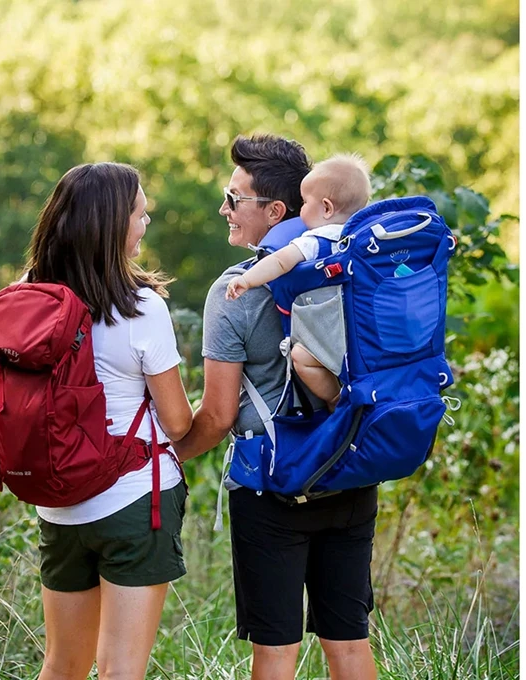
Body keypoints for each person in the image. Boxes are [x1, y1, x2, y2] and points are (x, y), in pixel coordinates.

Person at [174, 135, 378, 680]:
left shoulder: (233, 291)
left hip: (272, 484)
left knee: (276, 651)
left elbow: (217, 416)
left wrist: (166, 456)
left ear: (275, 211)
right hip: (349, 470)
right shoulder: (354, 267)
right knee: (349, 643)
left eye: (233, 197)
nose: (224, 209)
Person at [24, 162, 193, 680]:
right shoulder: (141, 307)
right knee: (120, 669)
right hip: (133, 500)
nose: (146, 223)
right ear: (112, 225)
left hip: (59, 503)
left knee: (62, 665)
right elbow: (177, 423)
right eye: (140, 214)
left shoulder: (27, 297)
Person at [225, 153, 372, 411]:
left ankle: (336, 401)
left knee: (300, 357)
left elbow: (280, 262)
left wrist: (246, 280)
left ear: (326, 208)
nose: (300, 211)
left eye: (304, 202)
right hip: (366, 334)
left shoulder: (316, 239)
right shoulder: (367, 238)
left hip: (330, 337)